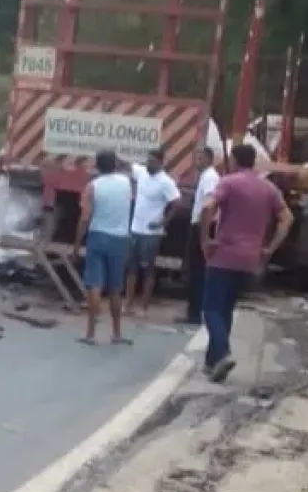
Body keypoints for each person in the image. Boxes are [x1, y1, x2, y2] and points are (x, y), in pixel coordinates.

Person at [199, 143, 294, 383]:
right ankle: (212, 363)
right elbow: (287, 219)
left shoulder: (229, 182)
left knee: (210, 308)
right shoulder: (268, 188)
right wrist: (269, 249)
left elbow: (208, 206)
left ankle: (223, 352)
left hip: (224, 254)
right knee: (225, 308)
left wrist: (205, 239)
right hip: (250, 258)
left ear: (233, 160)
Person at [75, 150, 134, 346]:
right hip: (120, 239)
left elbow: (85, 217)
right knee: (115, 289)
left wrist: (77, 243)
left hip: (98, 237)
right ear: (115, 165)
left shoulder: (93, 186)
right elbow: (130, 169)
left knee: (95, 285)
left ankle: (90, 333)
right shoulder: (127, 183)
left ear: (97, 166)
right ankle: (116, 333)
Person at [125, 149, 181, 315]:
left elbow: (176, 203)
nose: (149, 164)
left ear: (161, 162)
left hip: (151, 234)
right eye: (148, 161)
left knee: (148, 270)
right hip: (135, 229)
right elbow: (127, 165)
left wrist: (163, 222)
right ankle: (128, 303)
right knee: (131, 268)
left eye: (152, 162)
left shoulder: (166, 182)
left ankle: (143, 307)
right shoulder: (142, 173)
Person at [180, 147, 220, 325]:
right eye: (196, 158)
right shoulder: (205, 176)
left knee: (198, 271)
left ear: (209, 160)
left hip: (202, 227)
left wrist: (203, 235)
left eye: (201, 158)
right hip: (199, 225)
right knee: (195, 271)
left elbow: (208, 207)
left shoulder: (211, 177)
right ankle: (193, 311)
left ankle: (195, 314)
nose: (198, 162)